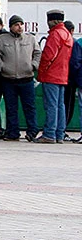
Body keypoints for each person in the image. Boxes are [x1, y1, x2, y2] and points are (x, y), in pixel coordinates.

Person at [0, 15, 41, 141]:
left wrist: (34, 65)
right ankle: (12, 132)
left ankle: (32, 131)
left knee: (29, 106)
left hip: (27, 78)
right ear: (11, 27)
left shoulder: (30, 38)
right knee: (11, 107)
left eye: (21, 24)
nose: (19, 27)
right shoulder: (2, 39)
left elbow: (37, 53)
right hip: (9, 79)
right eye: (16, 25)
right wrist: (2, 66)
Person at [36, 9, 73, 144]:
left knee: (51, 105)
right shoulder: (67, 34)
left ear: (51, 21)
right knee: (60, 105)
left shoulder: (55, 35)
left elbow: (48, 56)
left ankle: (49, 134)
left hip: (51, 75)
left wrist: (41, 72)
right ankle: (59, 134)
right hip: (63, 74)